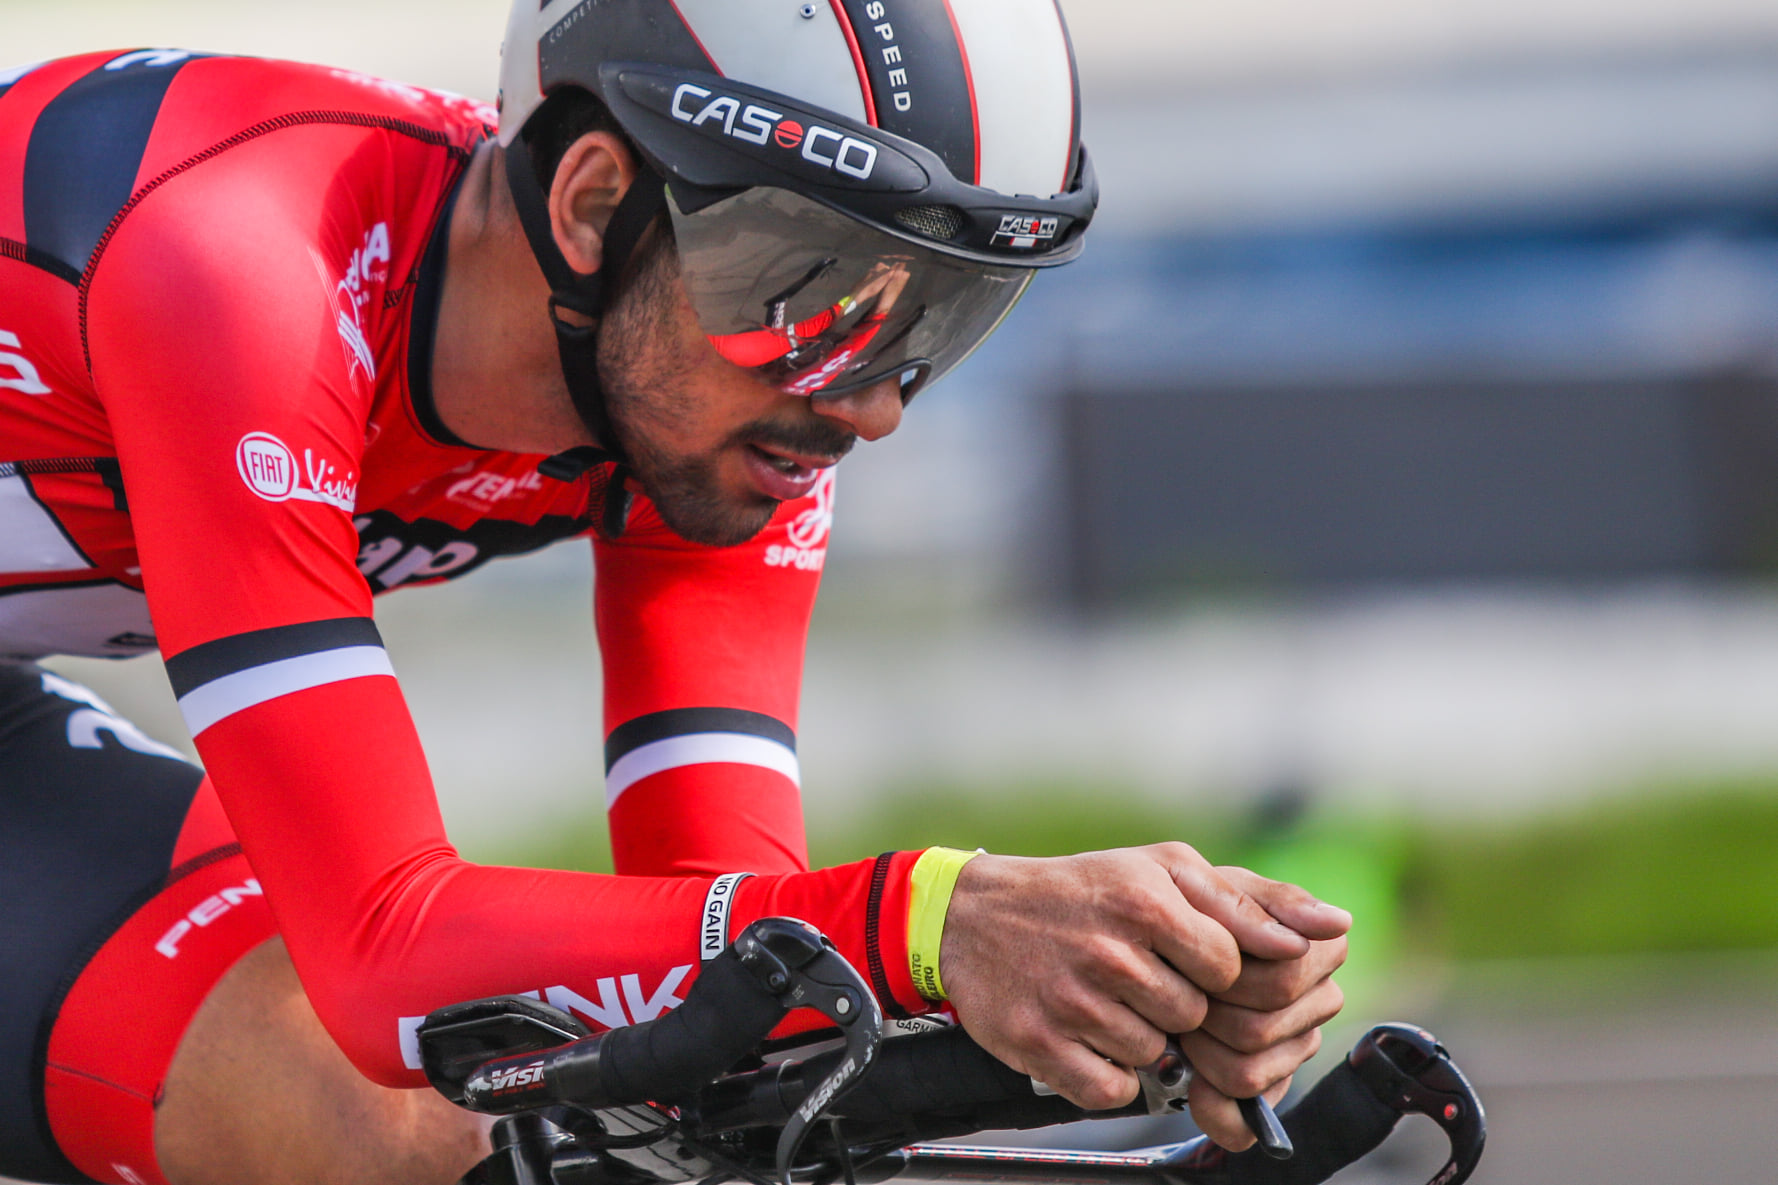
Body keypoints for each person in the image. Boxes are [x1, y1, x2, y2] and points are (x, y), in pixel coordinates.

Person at [0, 3, 1349, 1183]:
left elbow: (738, 967)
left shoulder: (712, 398)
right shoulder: (242, 261)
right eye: (825, 291)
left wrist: (1098, 1005)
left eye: (937, 314)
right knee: (369, 1086)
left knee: (484, 1138)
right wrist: (938, 920)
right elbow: (380, 950)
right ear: (594, 205)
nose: (872, 403)